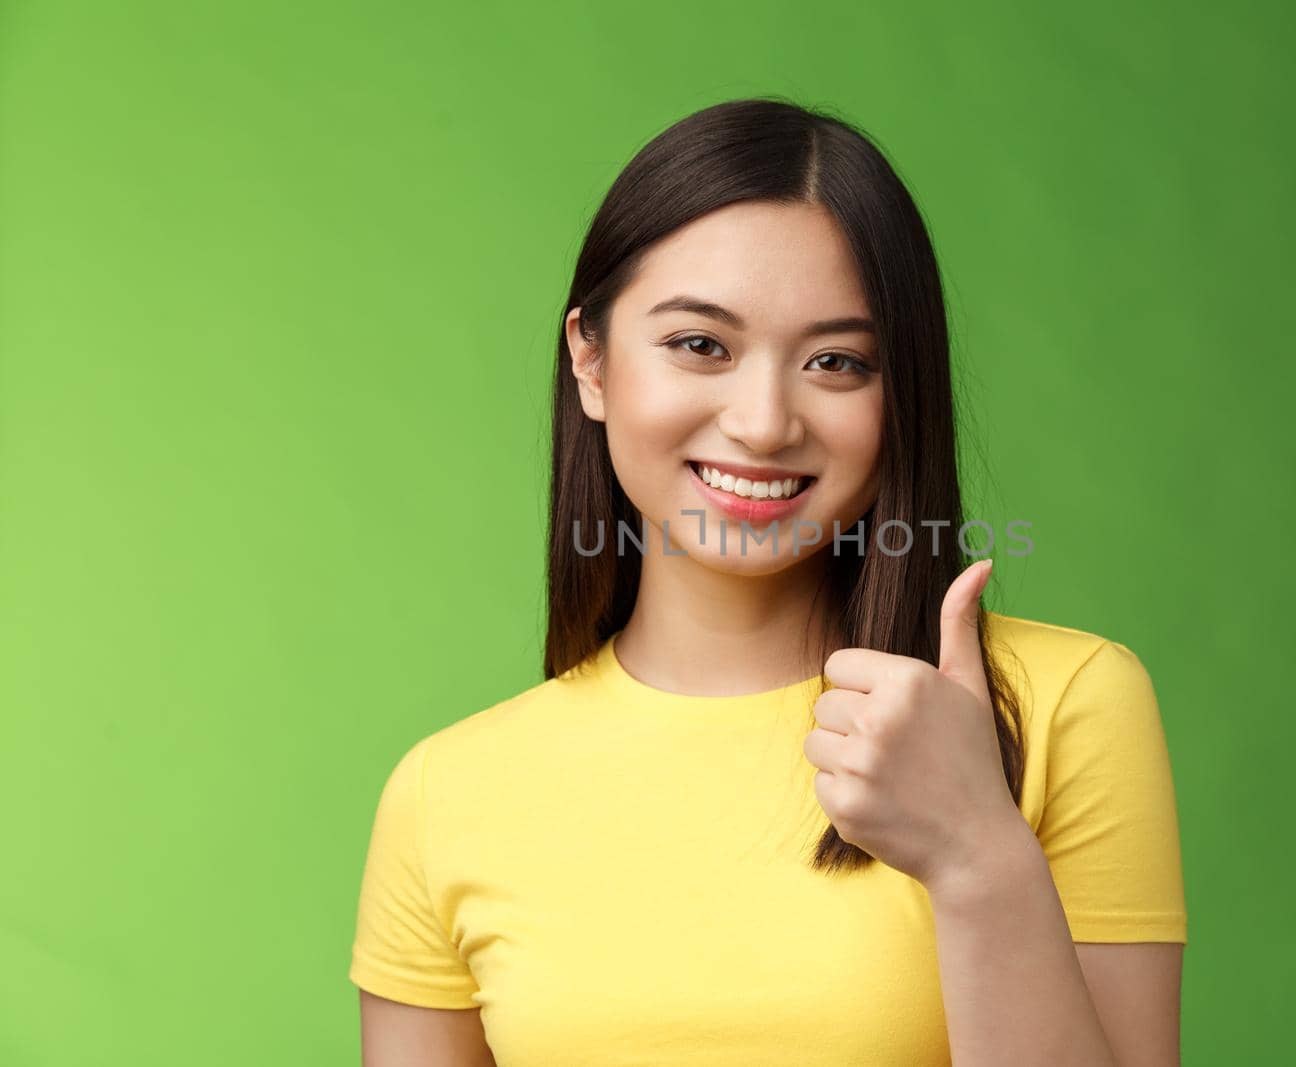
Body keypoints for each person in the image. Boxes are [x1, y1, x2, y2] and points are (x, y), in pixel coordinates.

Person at [348, 96, 1187, 1066]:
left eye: (835, 361)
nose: (761, 421)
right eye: (700, 344)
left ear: (898, 389)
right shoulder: (444, 792)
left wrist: (976, 856)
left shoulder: (1054, 707)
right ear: (590, 358)